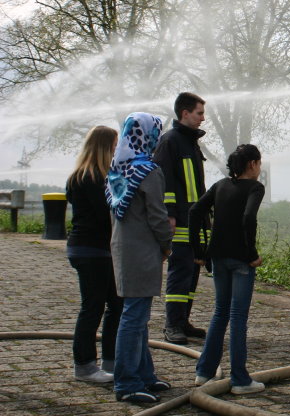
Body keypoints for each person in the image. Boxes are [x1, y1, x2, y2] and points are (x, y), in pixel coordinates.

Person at [106, 113, 173, 404]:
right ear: (148, 136)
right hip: (143, 250)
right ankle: (127, 383)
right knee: (134, 317)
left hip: (122, 247)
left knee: (137, 314)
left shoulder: (118, 168)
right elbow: (158, 217)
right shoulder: (149, 170)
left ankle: (145, 375)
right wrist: (167, 246)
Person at [188, 144, 266, 395]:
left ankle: (204, 372)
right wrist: (251, 254)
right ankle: (240, 380)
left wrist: (198, 250)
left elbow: (195, 211)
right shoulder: (255, 187)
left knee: (220, 313)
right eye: (259, 163)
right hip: (240, 261)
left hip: (217, 258)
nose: (260, 168)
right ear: (252, 164)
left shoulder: (221, 185)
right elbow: (248, 218)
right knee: (238, 317)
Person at [66, 125, 123, 384]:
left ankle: (111, 361)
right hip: (93, 250)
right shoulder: (91, 178)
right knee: (93, 307)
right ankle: (85, 366)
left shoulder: (81, 175)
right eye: (114, 144)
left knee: (116, 304)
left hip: (92, 249)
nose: (117, 148)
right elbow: (106, 215)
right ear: (103, 146)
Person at [153, 92, 208, 344]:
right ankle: (172, 325)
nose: (202, 119)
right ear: (184, 113)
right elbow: (165, 182)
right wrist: (170, 215)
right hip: (180, 223)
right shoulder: (170, 142)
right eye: (199, 113)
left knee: (192, 273)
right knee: (179, 272)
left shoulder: (190, 142)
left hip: (194, 222)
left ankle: (183, 321)